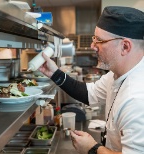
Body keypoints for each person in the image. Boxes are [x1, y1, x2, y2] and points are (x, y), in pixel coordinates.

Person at [39, 6, 144, 154]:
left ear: (125, 47)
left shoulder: (137, 100)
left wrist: (92, 148)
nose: (92, 46)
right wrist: (55, 73)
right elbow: (89, 93)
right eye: (94, 38)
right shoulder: (117, 74)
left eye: (99, 40)